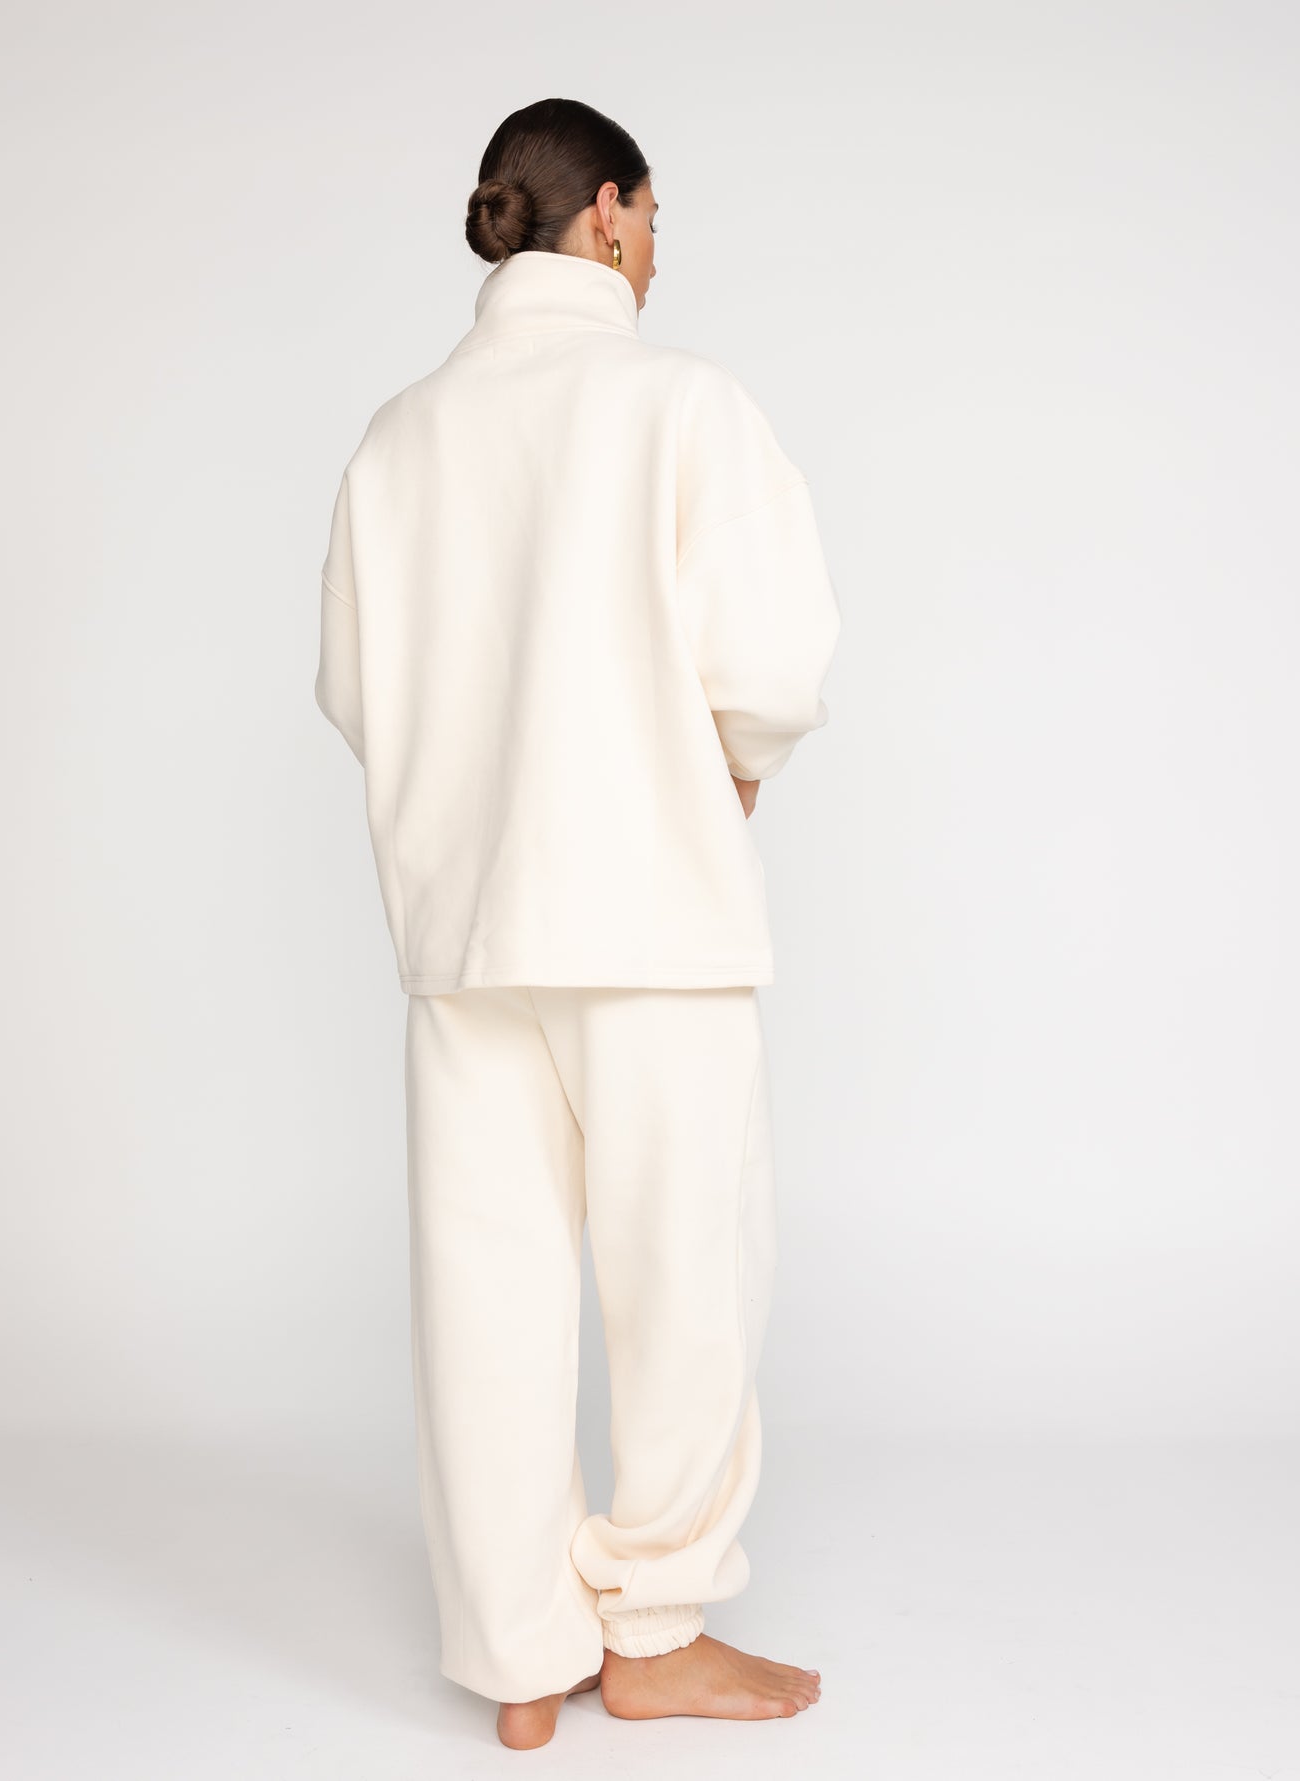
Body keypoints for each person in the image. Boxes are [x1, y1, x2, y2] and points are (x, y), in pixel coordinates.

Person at [314, 97, 839, 1751]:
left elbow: (354, 687)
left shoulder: (398, 438)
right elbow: (776, 663)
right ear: (605, 211)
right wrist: (731, 767)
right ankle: (655, 1628)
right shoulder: (679, 402)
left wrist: (463, 797)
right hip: (649, 914)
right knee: (685, 1279)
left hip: (466, 933)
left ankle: (518, 1658)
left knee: (489, 1285)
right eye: (655, 216)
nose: (660, 249)